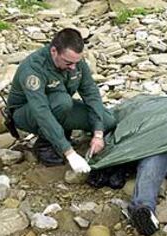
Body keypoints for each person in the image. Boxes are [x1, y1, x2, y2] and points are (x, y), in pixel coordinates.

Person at [7, 28, 117, 172]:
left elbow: (91, 94)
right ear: (54, 51)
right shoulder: (33, 69)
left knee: (107, 120)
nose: (73, 68)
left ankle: (62, 133)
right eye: (68, 63)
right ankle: (45, 144)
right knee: (62, 101)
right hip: (27, 113)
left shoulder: (75, 61)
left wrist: (98, 134)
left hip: (60, 107)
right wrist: (69, 152)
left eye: (76, 63)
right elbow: (41, 111)